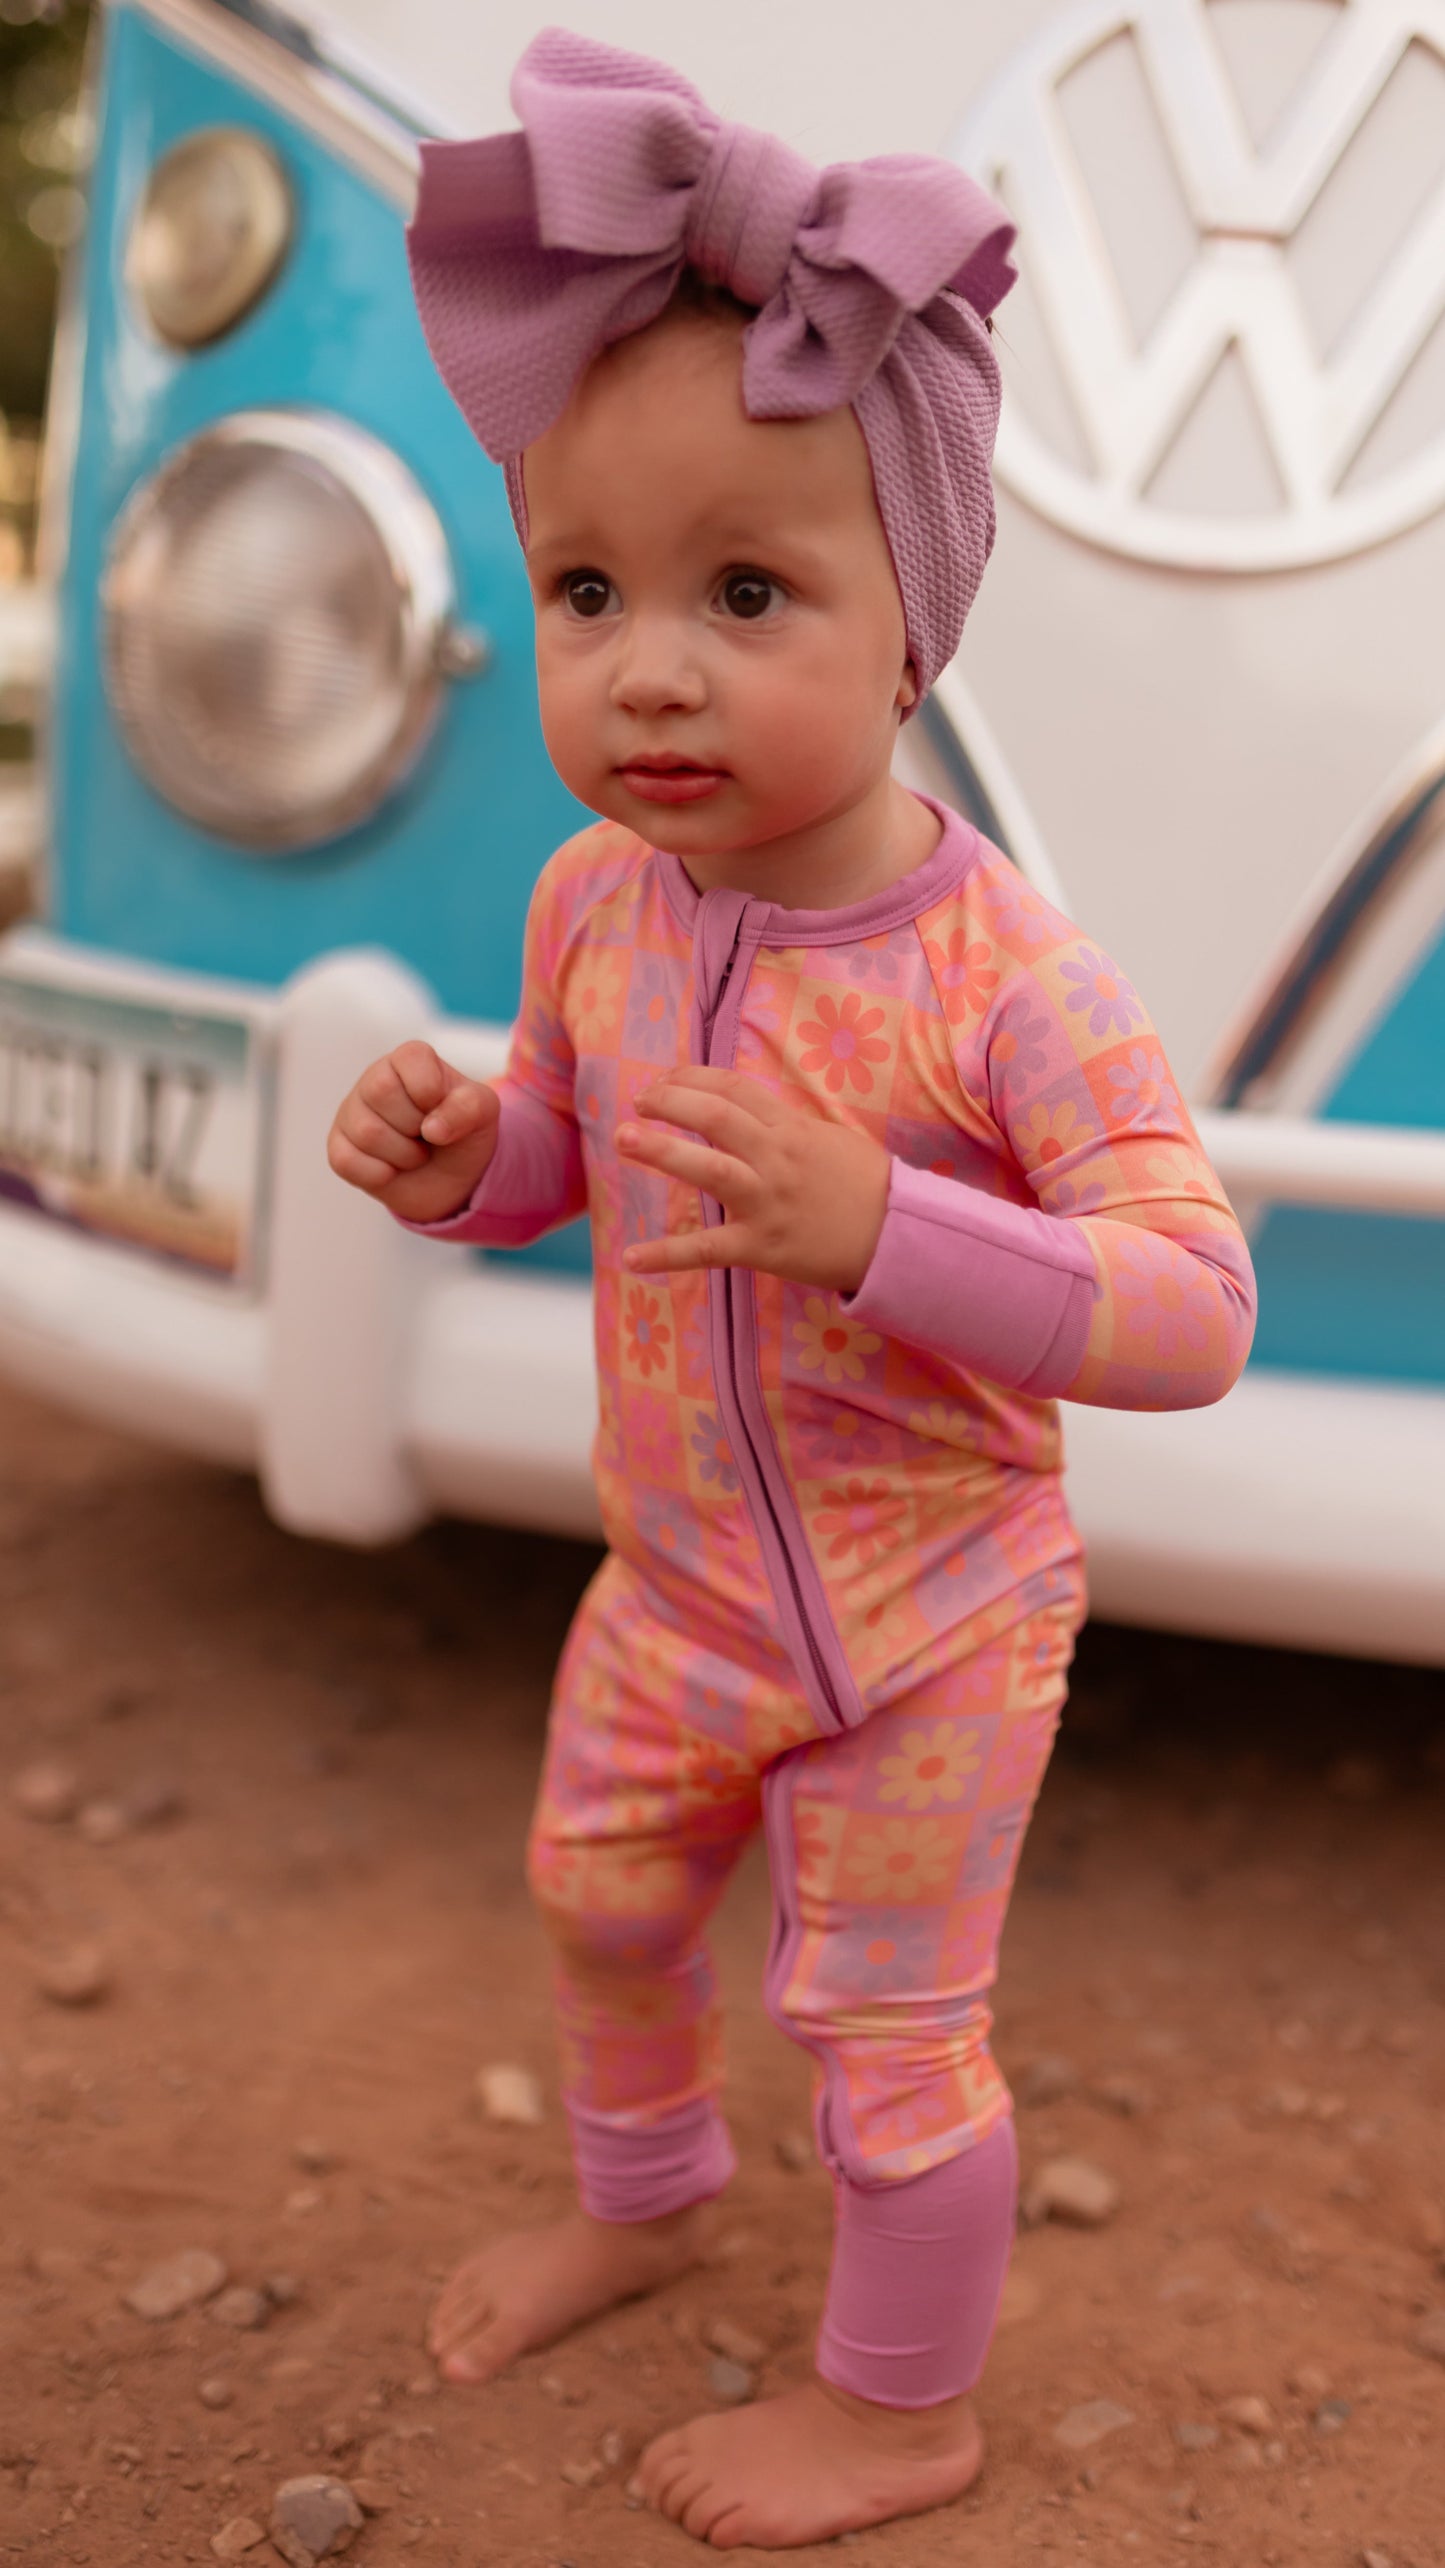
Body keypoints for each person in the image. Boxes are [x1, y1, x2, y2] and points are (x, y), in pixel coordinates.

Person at [327, 29, 1257, 2549]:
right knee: (599, 1894)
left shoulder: (1006, 981)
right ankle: (636, 2201)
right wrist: (468, 1153)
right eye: (588, 591)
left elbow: (1191, 1307)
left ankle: (897, 2406)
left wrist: (887, 1223)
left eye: (749, 594)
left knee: (885, 2038)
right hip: (689, 1585)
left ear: (919, 621)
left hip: (934, 1618)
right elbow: (569, 1150)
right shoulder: (591, 908)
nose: (649, 667)